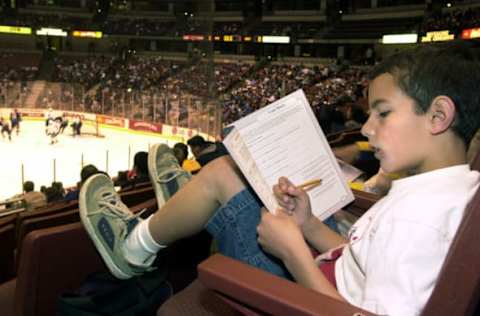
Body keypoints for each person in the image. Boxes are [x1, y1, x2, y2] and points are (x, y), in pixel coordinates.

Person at [79, 41, 480, 316]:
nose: (367, 128)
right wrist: (306, 226)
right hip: (325, 275)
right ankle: (180, 207)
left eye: (383, 113)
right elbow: (365, 258)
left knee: (222, 173)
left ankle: (131, 248)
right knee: (239, 176)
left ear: (438, 116)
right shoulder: (446, 191)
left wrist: (294, 253)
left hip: (299, 297)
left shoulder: (419, 220)